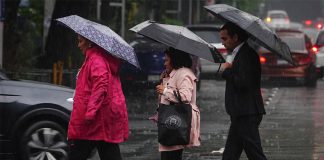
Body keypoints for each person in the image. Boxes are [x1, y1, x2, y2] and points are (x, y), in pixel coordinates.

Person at [68, 34, 128, 160]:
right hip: (100, 120)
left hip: (94, 120)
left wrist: (90, 113)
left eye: (80, 41)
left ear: (89, 42)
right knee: (108, 152)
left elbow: (101, 86)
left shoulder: (96, 59)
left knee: (78, 153)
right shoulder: (94, 58)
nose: (78, 45)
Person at [219, 22, 267, 160]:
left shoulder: (247, 55)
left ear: (235, 37)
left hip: (247, 113)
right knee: (230, 155)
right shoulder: (239, 53)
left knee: (255, 154)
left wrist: (227, 70)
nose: (222, 43)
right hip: (240, 113)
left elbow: (243, 82)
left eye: (224, 39)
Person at [155, 47, 200, 160]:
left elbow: (185, 97)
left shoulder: (184, 73)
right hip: (172, 121)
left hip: (177, 121)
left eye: (166, 60)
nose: (164, 63)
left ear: (175, 60)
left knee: (170, 156)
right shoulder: (175, 73)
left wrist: (165, 91)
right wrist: (165, 79)